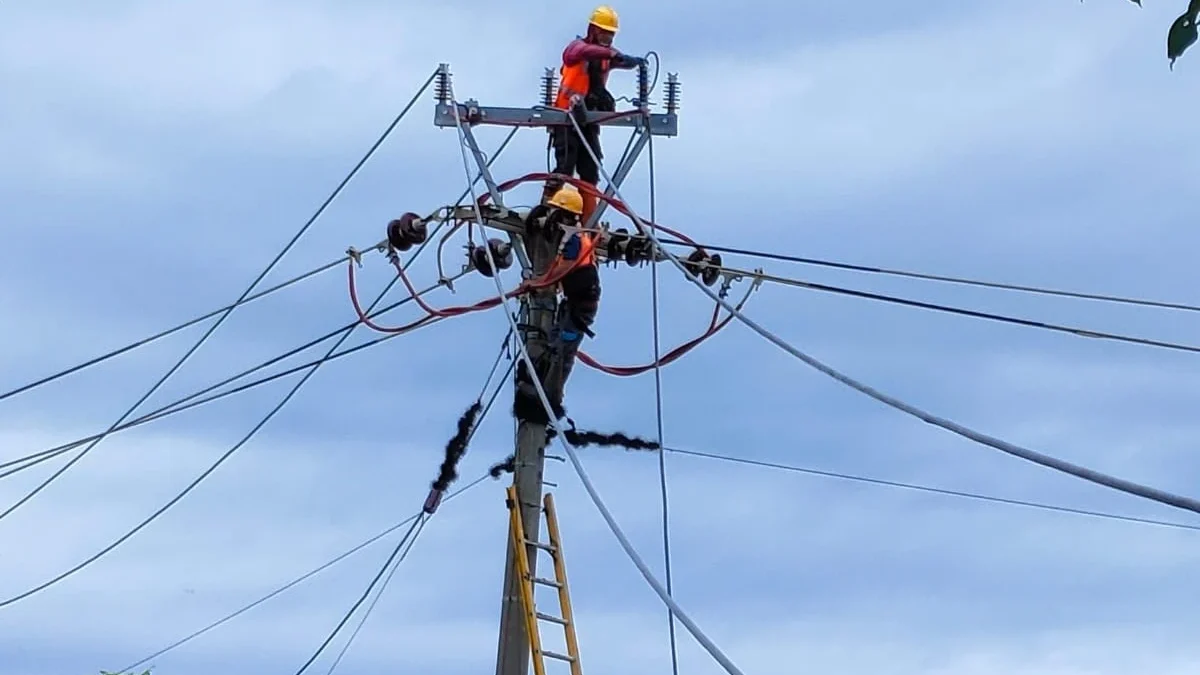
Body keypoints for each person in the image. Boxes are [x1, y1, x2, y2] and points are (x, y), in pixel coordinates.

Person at [543, 5, 645, 227]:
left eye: (610, 33)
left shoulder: (605, 57)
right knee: (564, 169)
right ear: (593, 29)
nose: (607, 37)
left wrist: (634, 61)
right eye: (603, 32)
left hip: (588, 120)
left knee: (590, 169)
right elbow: (578, 52)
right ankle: (546, 217)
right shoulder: (577, 49)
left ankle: (589, 224)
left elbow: (619, 61)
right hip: (566, 119)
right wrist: (613, 53)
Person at [514, 184, 600, 424]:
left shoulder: (575, 238)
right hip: (573, 303)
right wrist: (542, 282)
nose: (553, 217)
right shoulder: (569, 238)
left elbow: (563, 268)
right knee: (554, 343)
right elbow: (559, 270)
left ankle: (549, 398)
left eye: (557, 213)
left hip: (581, 309)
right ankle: (538, 382)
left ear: (568, 216)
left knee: (562, 350)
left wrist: (539, 282)